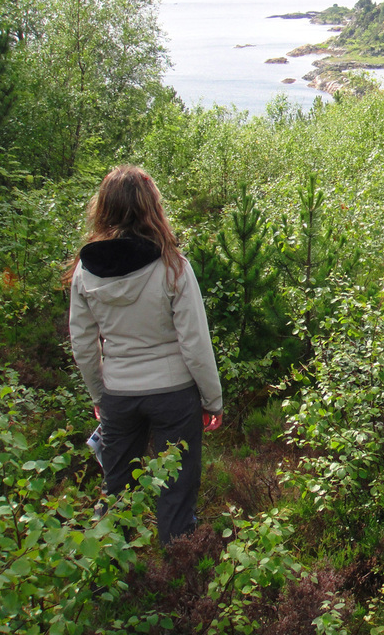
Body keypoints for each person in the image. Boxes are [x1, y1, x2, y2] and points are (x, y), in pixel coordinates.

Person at [67, 165, 223, 547]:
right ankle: (178, 567)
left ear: (103, 208)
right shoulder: (173, 266)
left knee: (117, 491)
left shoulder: (86, 271)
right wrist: (212, 400)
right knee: (176, 491)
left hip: (119, 393)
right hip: (174, 396)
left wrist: (100, 395)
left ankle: (110, 569)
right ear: (151, 207)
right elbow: (195, 343)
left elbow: (83, 344)